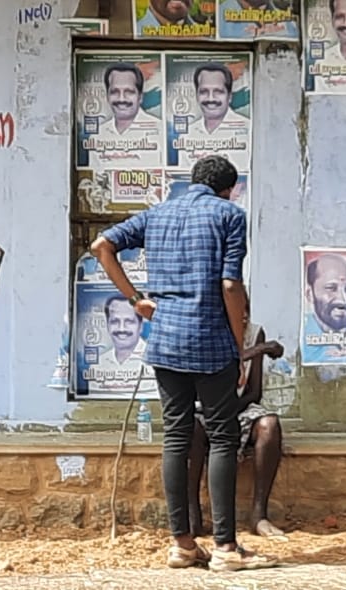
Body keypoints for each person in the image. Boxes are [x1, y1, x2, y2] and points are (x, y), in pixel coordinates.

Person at [90, 155, 278, 572]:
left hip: (166, 340)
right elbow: (230, 285)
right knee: (223, 436)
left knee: (175, 437)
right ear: (229, 189)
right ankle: (226, 548)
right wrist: (237, 344)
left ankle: (182, 544)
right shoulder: (229, 215)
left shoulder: (157, 214)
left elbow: (101, 246)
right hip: (210, 339)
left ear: (193, 181)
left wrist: (136, 300)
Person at [188, 291, 286, 539]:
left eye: (245, 311)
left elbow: (254, 392)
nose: (242, 317)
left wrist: (232, 410)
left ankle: (259, 515)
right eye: (234, 310)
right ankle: (192, 516)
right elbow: (217, 368)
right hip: (206, 407)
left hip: (238, 406)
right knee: (190, 427)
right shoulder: (207, 332)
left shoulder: (254, 333)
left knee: (269, 425)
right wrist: (259, 350)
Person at [172, 62, 251, 169]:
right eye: (204, 91)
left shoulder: (248, 130)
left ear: (230, 96)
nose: (210, 98)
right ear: (197, 96)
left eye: (218, 91)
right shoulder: (187, 135)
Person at [87, 62, 163, 169]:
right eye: (114, 92)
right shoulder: (97, 136)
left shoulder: (160, 132)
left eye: (129, 92)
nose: (121, 99)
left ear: (140, 97)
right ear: (107, 96)